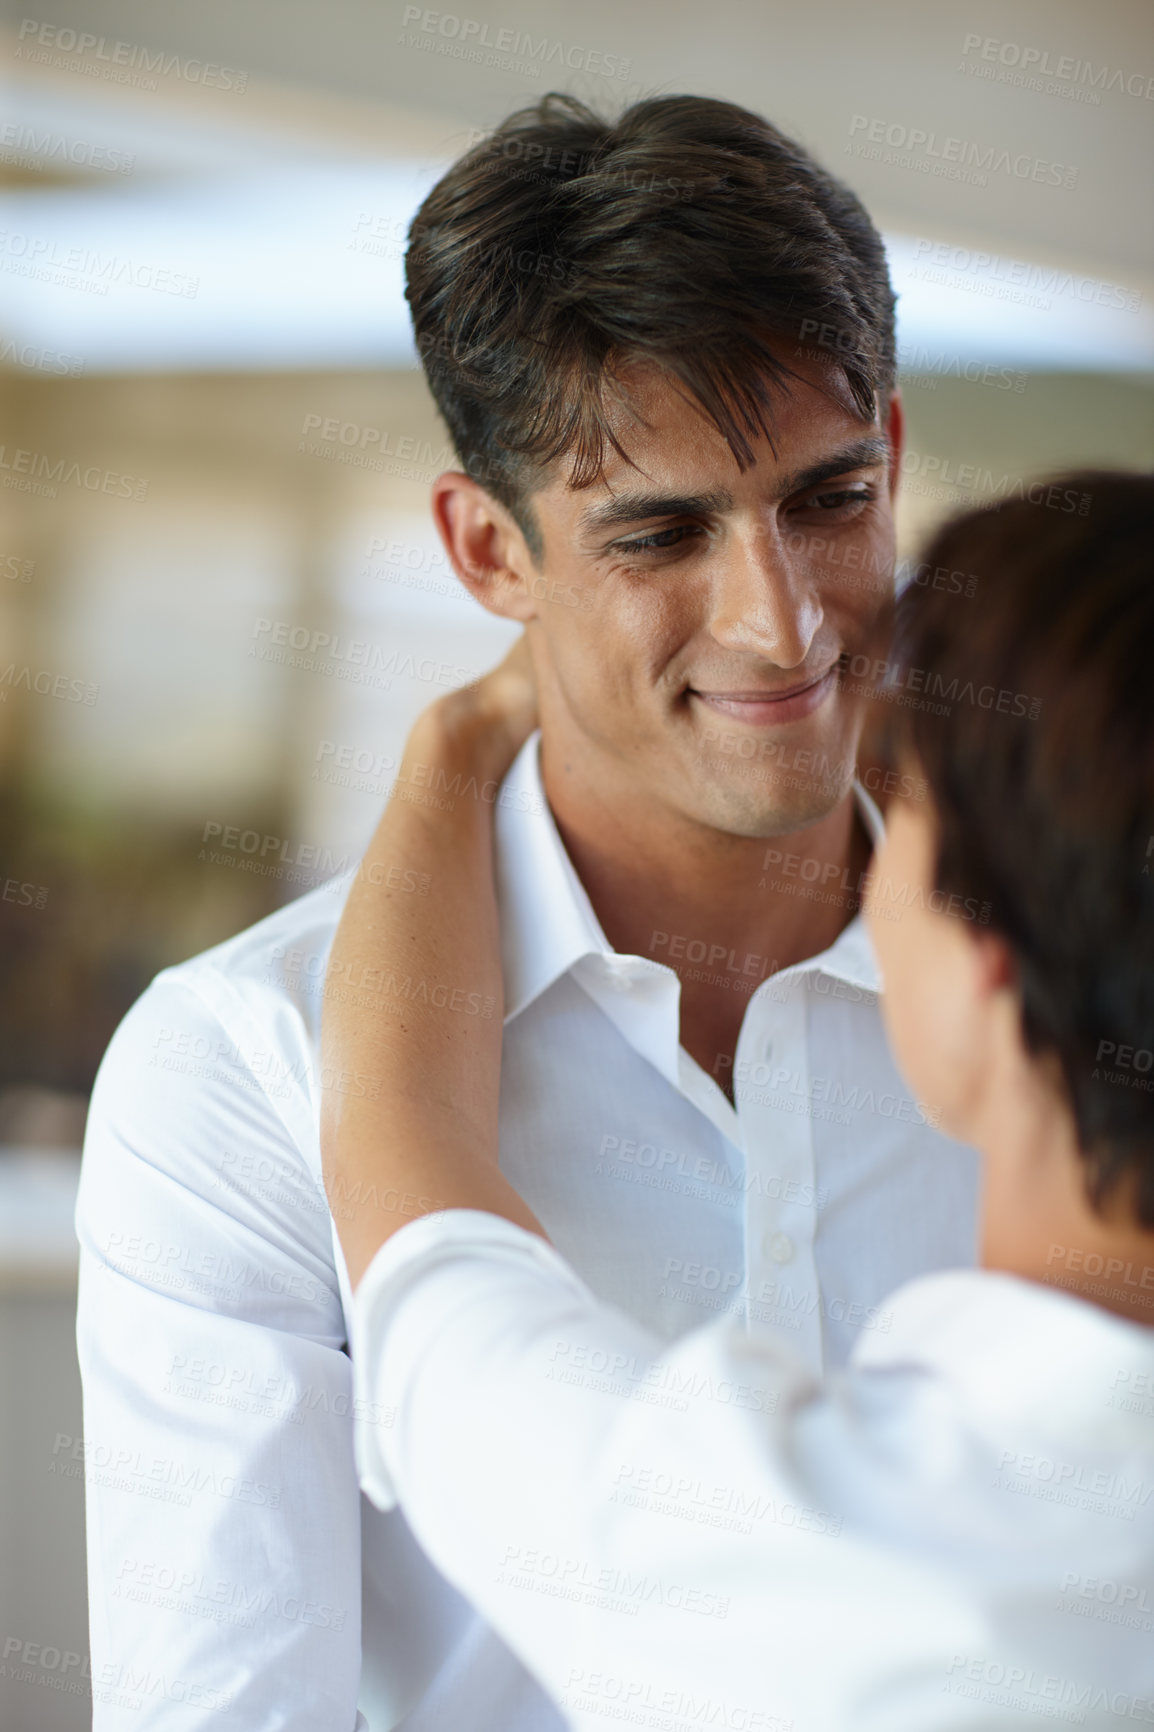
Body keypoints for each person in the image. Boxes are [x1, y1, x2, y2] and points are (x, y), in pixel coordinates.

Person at [76, 94, 979, 1727]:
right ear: (485, 549)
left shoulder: (1064, 1007)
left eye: (827, 498)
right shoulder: (243, 1068)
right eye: (658, 529)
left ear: (894, 456)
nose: (776, 624)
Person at [324, 474, 1154, 1731]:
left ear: (987, 957)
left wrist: (453, 745)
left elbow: (422, 1225)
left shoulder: (845, 1558)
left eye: (906, 813)